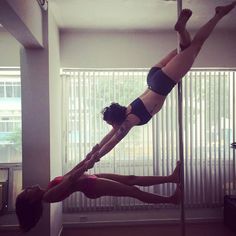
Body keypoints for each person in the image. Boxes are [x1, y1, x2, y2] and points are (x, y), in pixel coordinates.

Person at [84, 2, 236, 169]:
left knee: (197, 44)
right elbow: (109, 137)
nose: (112, 128)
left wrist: (95, 158)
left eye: (111, 123)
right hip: (152, 78)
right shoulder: (127, 111)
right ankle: (181, 30)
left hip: (163, 83)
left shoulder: (129, 121)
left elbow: (112, 142)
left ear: (116, 120)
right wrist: (95, 149)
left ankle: (218, 15)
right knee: (183, 49)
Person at [15, 161, 181, 232]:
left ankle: (172, 178)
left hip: (91, 178)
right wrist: (90, 162)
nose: (30, 187)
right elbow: (72, 179)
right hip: (92, 186)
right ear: (31, 200)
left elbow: (71, 173)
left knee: (131, 179)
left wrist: (88, 157)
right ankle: (172, 200)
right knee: (134, 191)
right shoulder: (49, 196)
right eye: (28, 191)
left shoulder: (49, 188)